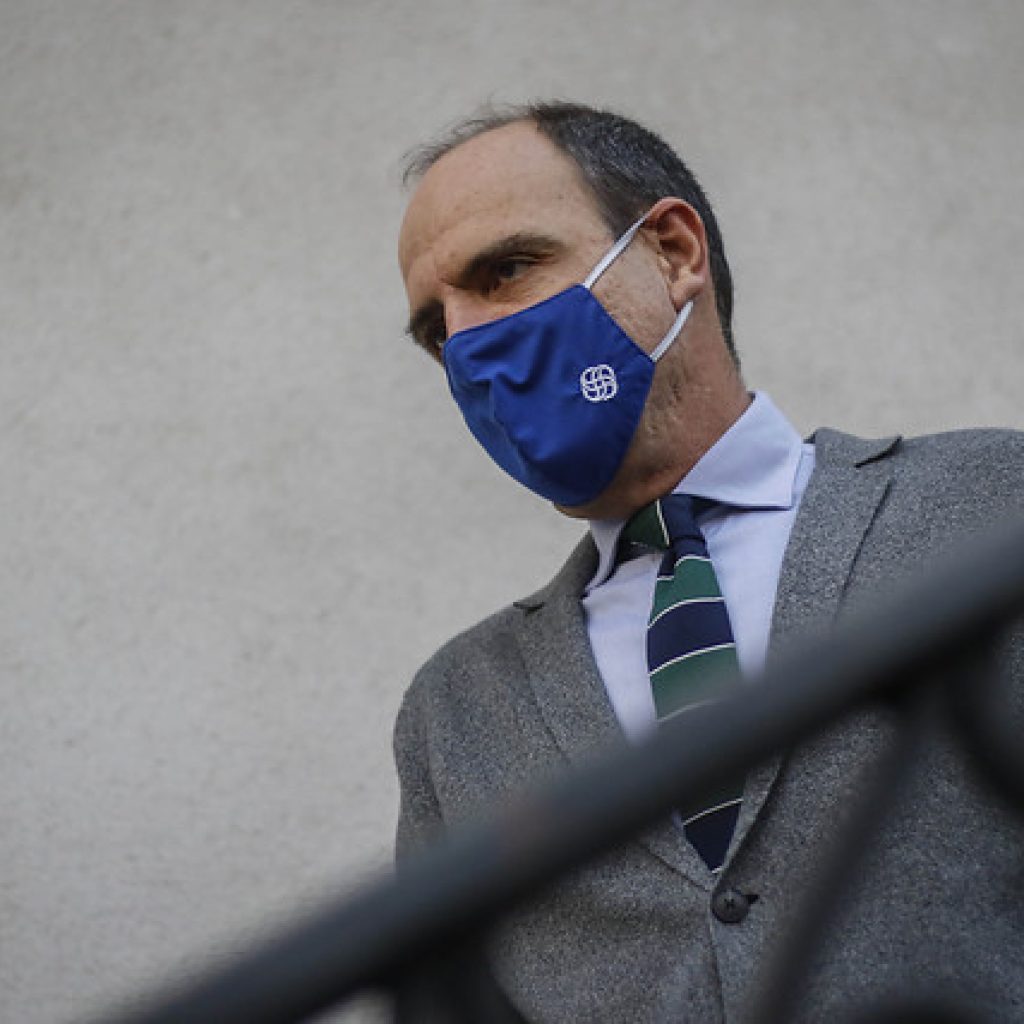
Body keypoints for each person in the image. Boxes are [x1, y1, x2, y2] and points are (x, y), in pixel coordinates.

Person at [392, 101, 1024, 1023]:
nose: (471, 349)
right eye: (437, 332)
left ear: (673, 252)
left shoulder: (995, 506)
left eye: (508, 269)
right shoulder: (454, 711)